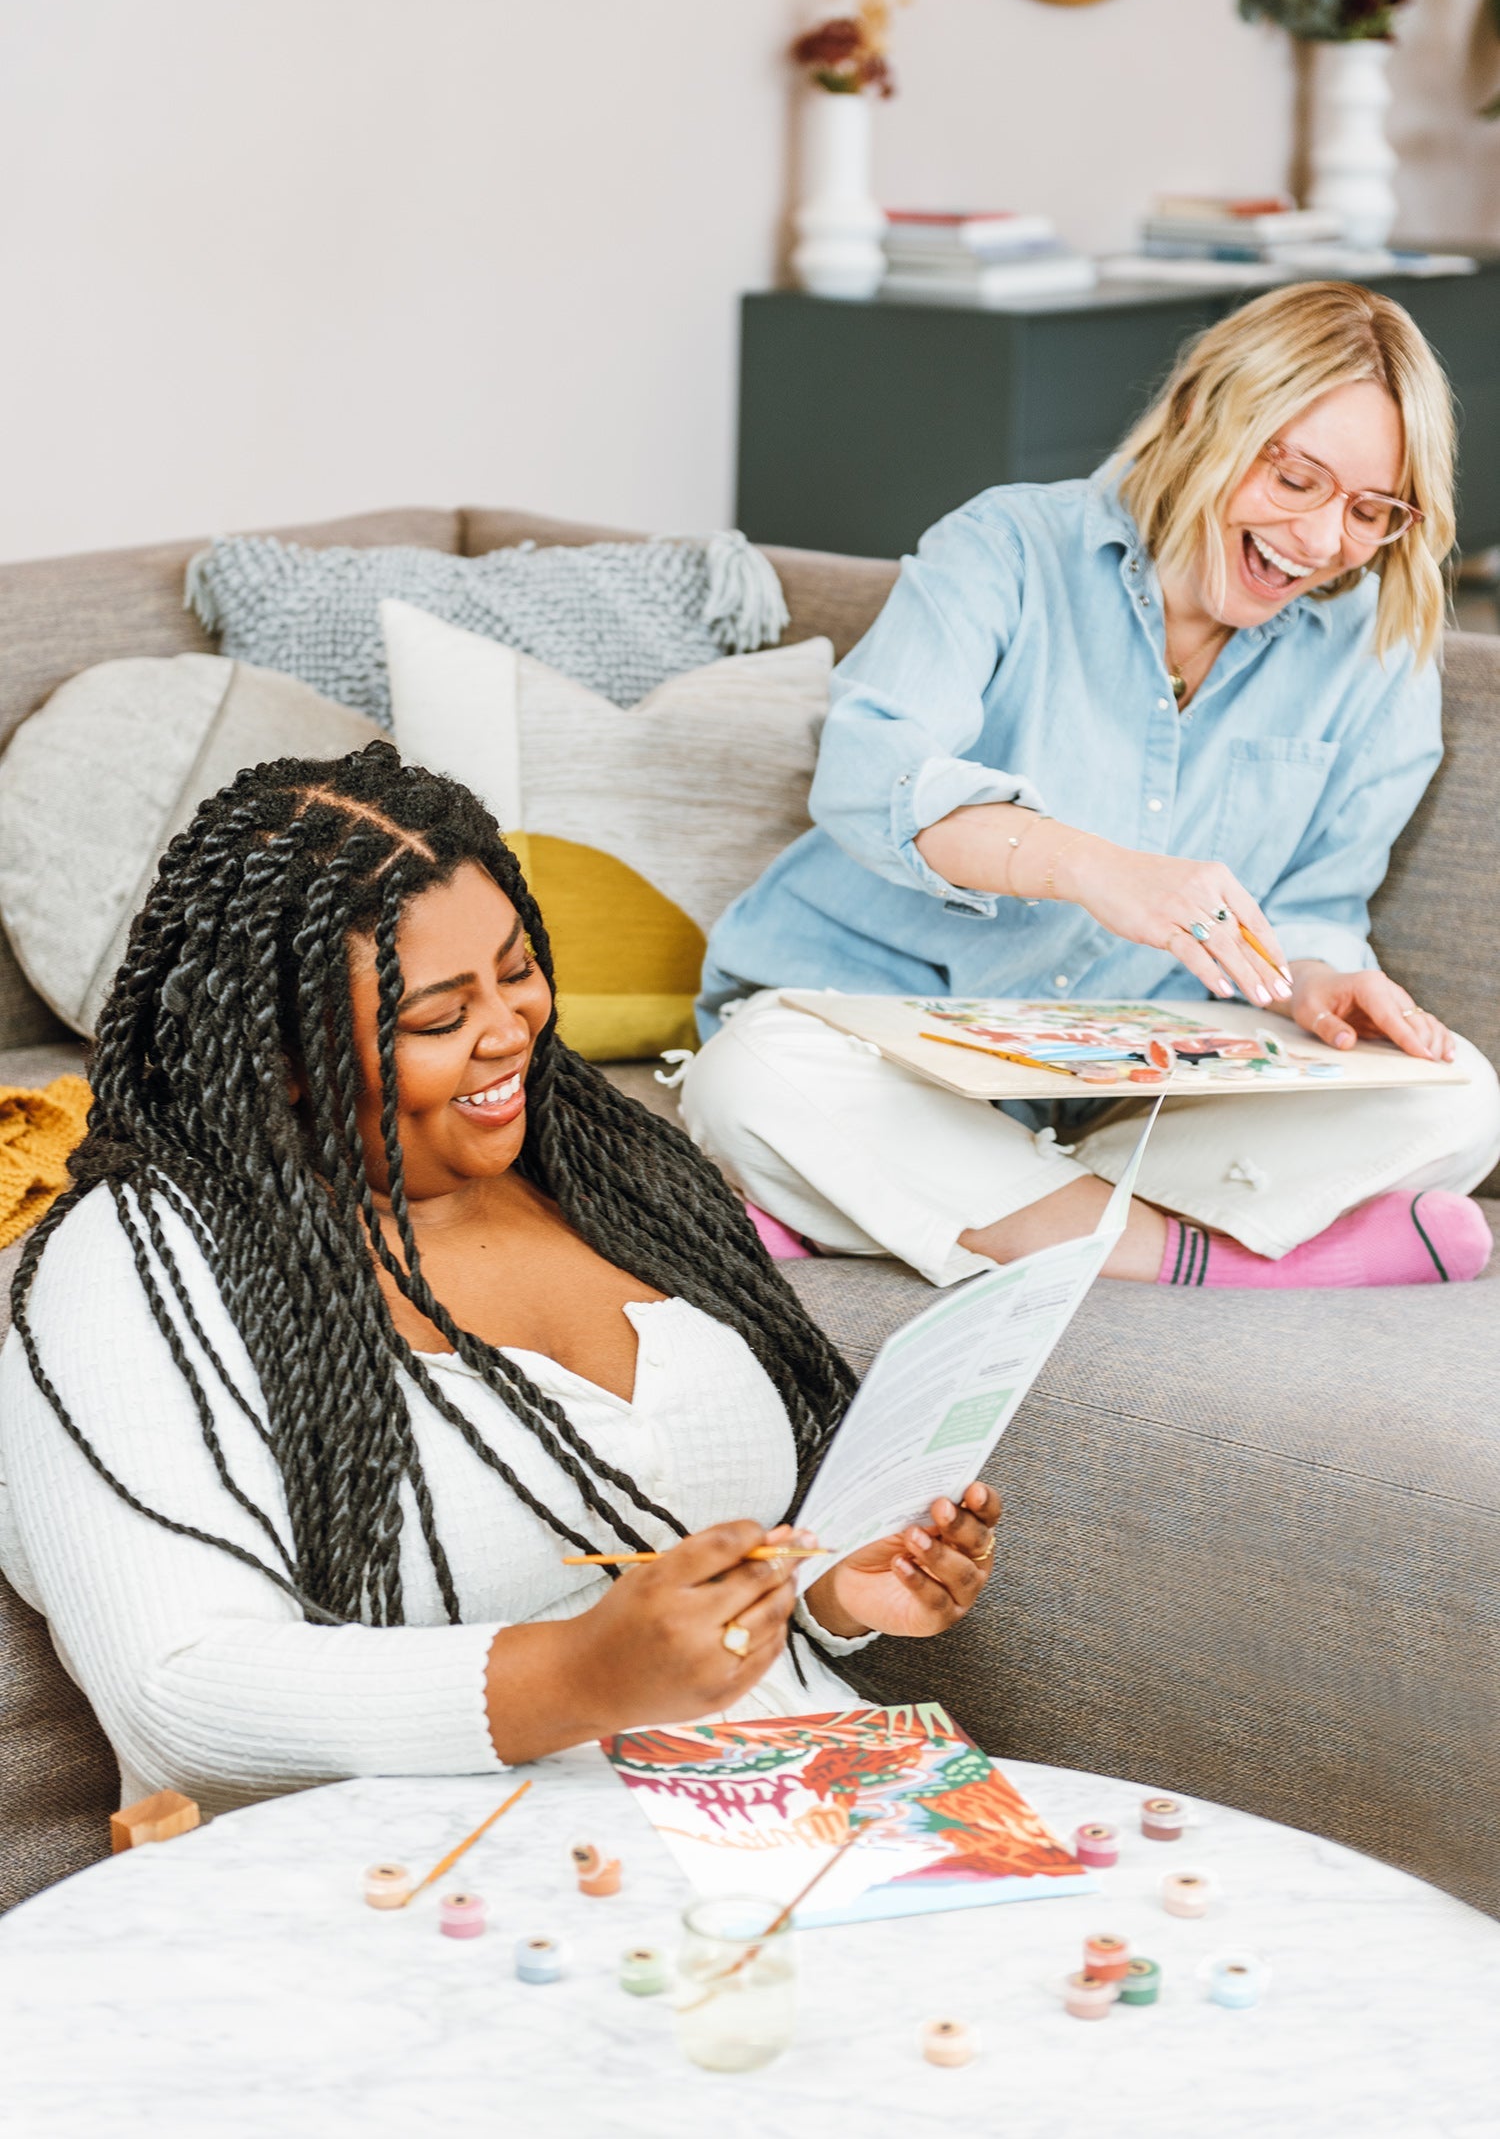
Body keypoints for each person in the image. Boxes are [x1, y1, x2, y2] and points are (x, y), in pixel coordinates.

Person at [0, 747, 999, 1814]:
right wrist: (579, 1675)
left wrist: (834, 1591)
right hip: (451, 1873)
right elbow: (175, 1695)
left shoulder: (611, 1172)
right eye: (438, 1019)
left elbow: (700, 1567)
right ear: (281, 1056)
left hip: (828, 1805)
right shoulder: (135, 1267)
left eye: (517, 971)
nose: (511, 1030)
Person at [684, 282, 1500, 1290]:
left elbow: (1309, 916)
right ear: (1200, 416)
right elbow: (870, 773)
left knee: (1459, 1097)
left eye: (1370, 511)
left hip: (1130, 1088)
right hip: (889, 1029)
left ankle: (932, 1204)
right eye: (1296, 479)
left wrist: (1321, 986)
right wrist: (1087, 866)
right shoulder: (1010, 546)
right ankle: (1207, 1259)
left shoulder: (1378, 655)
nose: (1323, 541)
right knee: (751, 1078)